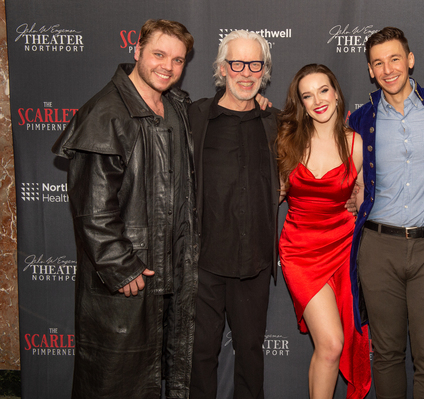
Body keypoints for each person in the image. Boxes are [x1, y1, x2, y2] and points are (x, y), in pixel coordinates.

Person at [52, 19, 197, 398]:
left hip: (169, 278)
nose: (167, 66)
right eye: (159, 54)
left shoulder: (175, 107)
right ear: (137, 51)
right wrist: (121, 266)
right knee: (115, 385)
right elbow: (91, 209)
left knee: (153, 381)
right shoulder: (105, 113)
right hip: (129, 281)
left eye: (178, 59)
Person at [348, 27, 424, 399]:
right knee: (388, 355)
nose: (388, 69)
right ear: (370, 71)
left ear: (410, 60)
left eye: (395, 59)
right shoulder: (360, 120)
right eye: (378, 62)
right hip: (378, 248)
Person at [187, 30, 279, 399]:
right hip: (202, 263)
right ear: (222, 68)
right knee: (199, 357)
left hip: (253, 263)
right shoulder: (193, 117)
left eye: (254, 64)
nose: (246, 72)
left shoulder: (276, 122)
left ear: (264, 70)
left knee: (251, 356)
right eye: (236, 63)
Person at [277, 64, 372, 399]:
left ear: (336, 93)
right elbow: (274, 195)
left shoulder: (357, 144)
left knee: (336, 344)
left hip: (343, 249)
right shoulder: (287, 141)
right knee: (331, 343)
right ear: (300, 103)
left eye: (323, 90)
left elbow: (363, 198)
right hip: (300, 252)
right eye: (307, 95)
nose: (317, 100)